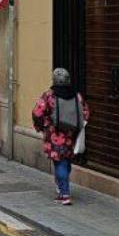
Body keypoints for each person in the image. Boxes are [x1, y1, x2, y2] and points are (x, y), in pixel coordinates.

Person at [32, 68, 89, 206]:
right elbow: (86, 112)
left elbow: (37, 112)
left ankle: (64, 193)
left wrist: (43, 125)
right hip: (71, 135)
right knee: (66, 161)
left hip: (54, 134)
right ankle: (62, 186)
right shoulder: (77, 95)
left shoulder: (49, 95)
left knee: (60, 163)